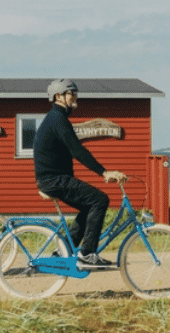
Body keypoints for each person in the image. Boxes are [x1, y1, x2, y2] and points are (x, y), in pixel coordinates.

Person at [33, 79, 127, 268]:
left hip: (53, 179)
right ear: (59, 97)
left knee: (88, 206)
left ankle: (64, 251)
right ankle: (88, 254)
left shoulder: (56, 118)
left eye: (76, 93)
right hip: (54, 180)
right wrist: (104, 172)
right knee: (99, 200)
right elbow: (77, 150)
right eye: (71, 93)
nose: (75, 97)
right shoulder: (57, 119)